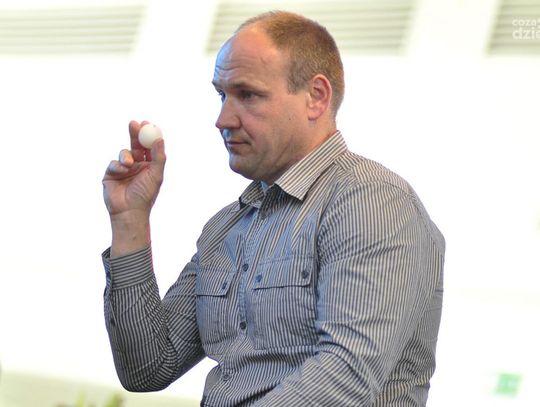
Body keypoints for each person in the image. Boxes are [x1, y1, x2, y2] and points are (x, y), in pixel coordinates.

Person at [101, 10, 445, 407]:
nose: (222, 119)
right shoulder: (226, 228)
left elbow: (345, 376)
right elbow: (148, 368)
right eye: (222, 95)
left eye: (248, 95)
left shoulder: (372, 202)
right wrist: (129, 222)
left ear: (316, 97)